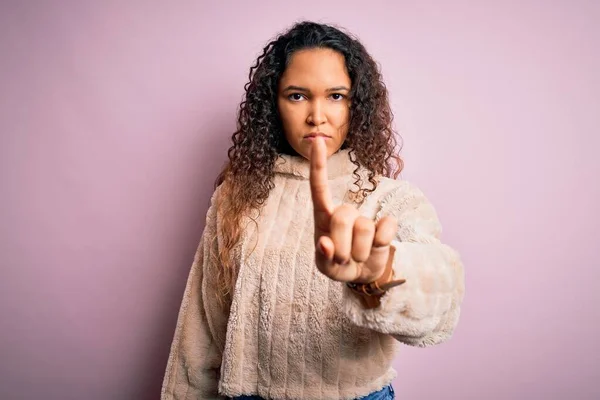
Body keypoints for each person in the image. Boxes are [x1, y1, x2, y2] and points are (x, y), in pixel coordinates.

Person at [161, 21, 465, 400]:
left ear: (357, 105)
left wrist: (381, 274)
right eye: (297, 96)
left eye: (336, 96)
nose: (317, 115)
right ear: (274, 105)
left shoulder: (390, 198)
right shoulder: (236, 197)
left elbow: (440, 304)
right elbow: (202, 328)